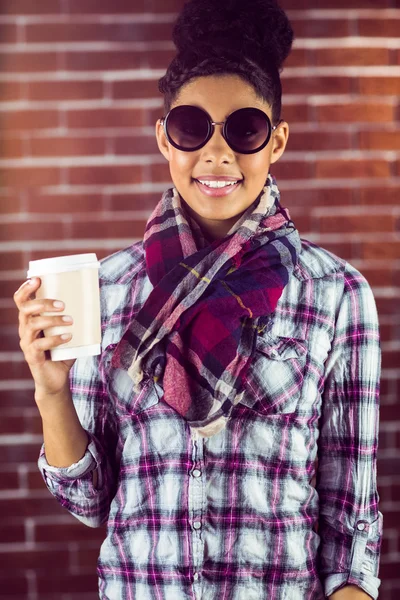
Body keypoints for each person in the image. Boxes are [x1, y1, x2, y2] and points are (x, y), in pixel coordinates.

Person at [13, 0, 382, 598]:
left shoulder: (337, 294)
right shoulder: (108, 289)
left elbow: (350, 521)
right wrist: (52, 392)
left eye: (245, 129)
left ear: (277, 141)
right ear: (164, 138)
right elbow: (87, 502)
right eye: (191, 127)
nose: (217, 153)